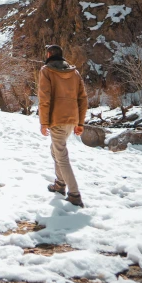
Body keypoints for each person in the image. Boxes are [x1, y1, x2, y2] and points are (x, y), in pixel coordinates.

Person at [38, 44, 88, 208]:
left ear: (49, 54)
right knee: (56, 150)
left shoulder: (46, 71)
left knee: (61, 155)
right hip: (71, 119)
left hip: (56, 119)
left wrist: (44, 122)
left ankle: (74, 194)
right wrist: (80, 122)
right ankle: (59, 184)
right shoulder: (75, 73)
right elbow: (83, 99)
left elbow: (44, 99)